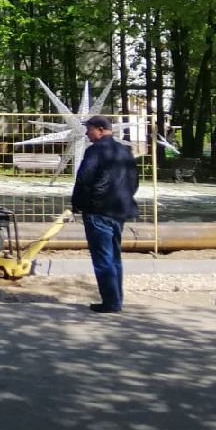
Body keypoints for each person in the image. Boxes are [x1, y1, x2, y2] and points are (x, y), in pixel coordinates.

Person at [71, 114, 139, 313]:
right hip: (119, 211)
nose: (86, 133)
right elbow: (134, 181)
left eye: (89, 128)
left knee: (103, 257)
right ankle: (116, 299)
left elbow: (84, 180)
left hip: (98, 210)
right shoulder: (125, 152)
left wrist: (78, 204)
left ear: (100, 129)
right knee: (114, 256)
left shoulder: (95, 151)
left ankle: (111, 302)